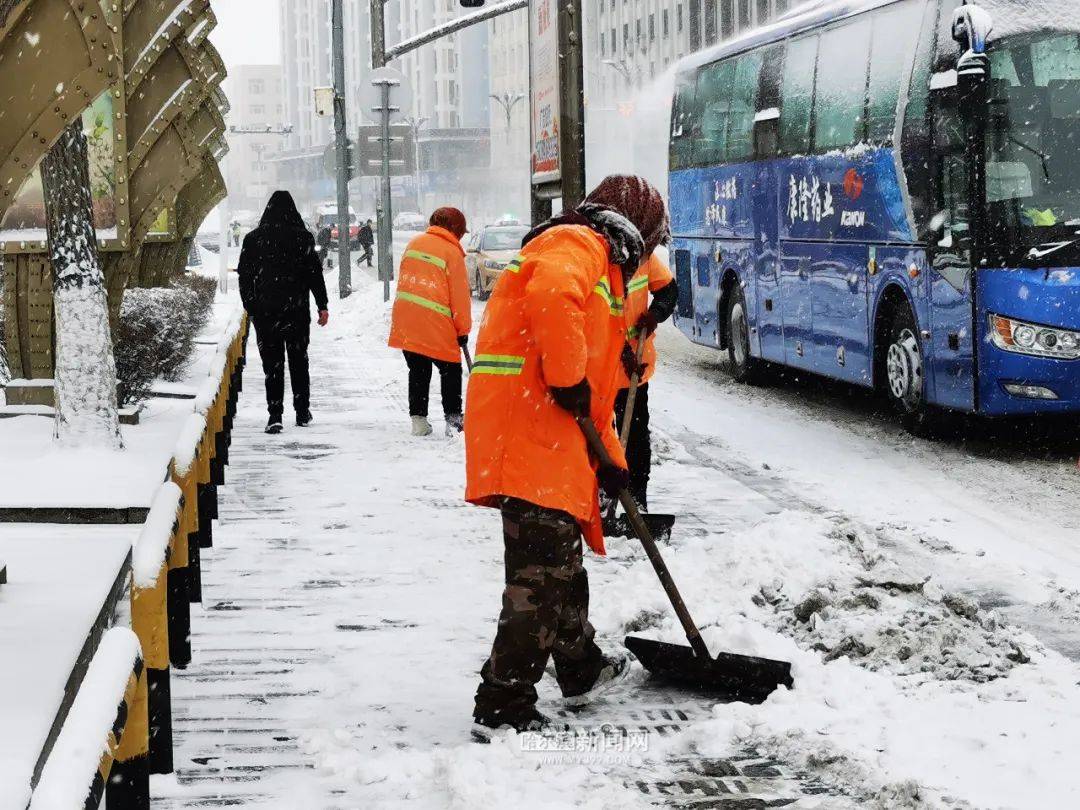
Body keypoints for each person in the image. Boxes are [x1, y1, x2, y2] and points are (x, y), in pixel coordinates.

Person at [465, 175, 670, 735]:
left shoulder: (602, 263)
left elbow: (596, 386)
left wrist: (611, 458)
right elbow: (553, 298)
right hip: (529, 430)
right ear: (637, 225)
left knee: (562, 566)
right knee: (541, 577)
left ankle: (579, 668)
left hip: (550, 436)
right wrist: (565, 376)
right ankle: (503, 703)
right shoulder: (577, 242)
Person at [237, 190, 329, 435]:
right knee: (299, 361)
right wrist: (322, 305)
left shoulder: (253, 239)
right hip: (297, 311)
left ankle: (274, 414)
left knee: (272, 365)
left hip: (266, 313)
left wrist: (251, 305)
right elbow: (314, 275)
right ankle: (302, 411)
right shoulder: (303, 238)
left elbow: (244, 277)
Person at [388, 207, 472, 437]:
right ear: (455, 229)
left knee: (418, 369)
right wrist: (462, 330)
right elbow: (460, 297)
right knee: (450, 370)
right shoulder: (451, 252)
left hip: (407, 319)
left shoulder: (414, 243)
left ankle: (418, 421)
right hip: (435, 321)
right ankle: (454, 420)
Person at [607, 250, 678, 523]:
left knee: (636, 439)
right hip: (599, 374)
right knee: (603, 442)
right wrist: (619, 348)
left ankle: (637, 501)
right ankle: (602, 499)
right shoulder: (596, 258)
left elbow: (669, 291)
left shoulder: (644, 256)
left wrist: (655, 314)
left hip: (634, 375)